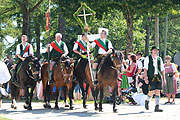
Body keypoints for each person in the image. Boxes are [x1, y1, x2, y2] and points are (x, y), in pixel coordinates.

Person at [144, 45, 166, 112]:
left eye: (157, 50)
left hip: (158, 76)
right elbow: (145, 69)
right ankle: (147, 100)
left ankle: (157, 106)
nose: (156, 51)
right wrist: (146, 78)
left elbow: (162, 69)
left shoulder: (159, 59)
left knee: (158, 91)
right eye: (155, 50)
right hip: (151, 76)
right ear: (152, 50)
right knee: (152, 91)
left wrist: (164, 78)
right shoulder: (148, 58)